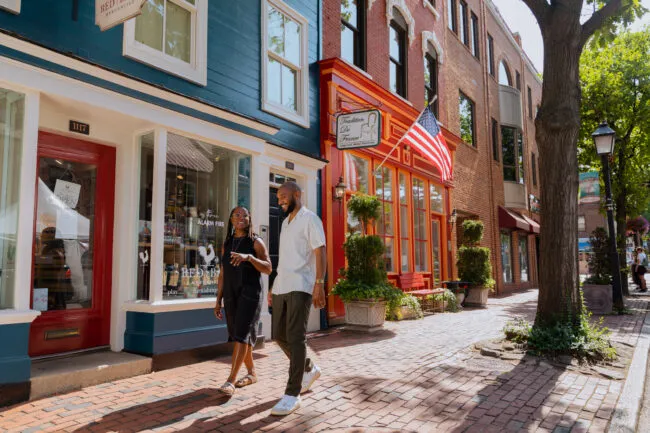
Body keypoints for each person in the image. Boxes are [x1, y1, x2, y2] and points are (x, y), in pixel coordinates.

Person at [269, 181, 327, 416]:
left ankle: (292, 394)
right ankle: (308, 368)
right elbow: (285, 258)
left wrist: (319, 284)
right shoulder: (285, 223)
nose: (280, 199)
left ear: (297, 194)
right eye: (278, 197)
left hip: (301, 285)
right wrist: (274, 285)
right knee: (278, 336)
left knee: (295, 337)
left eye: (283, 195)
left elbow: (320, 251)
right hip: (282, 284)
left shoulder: (310, 219)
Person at [214, 206, 272, 395]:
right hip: (231, 293)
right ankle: (252, 373)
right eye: (236, 215)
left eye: (244, 215)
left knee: (241, 334)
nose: (240, 217)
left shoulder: (255, 242)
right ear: (231, 219)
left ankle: (230, 380)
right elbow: (222, 273)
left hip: (250, 292)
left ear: (249, 219)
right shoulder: (228, 243)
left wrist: (249, 258)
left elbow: (268, 268)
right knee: (238, 334)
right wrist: (218, 299)